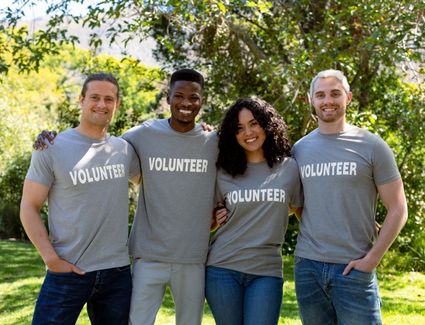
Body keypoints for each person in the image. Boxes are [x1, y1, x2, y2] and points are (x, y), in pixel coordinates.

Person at [20, 73, 140, 325]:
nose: (101, 104)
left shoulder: (123, 149)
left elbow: (155, 182)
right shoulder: (52, 147)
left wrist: (198, 132)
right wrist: (50, 259)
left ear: (116, 105)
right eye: (94, 97)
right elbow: (29, 207)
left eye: (109, 99)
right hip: (68, 270)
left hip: (116, 273)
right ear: (81, 100)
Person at [292, 69, 408, 324]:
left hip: (354, 268)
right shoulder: (299, 150)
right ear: (311, 100)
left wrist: (372, 259)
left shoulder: (372, 146)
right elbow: (299, 205)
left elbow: (398, 208)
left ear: (349, 98)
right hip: (308, 268)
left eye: (335, 94)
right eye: (320, 95)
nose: (327, 101)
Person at [123, 68, 218, 325]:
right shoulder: (142, 135)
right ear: (168, 97)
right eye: (179, 96)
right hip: (149, 254)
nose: (186, 103)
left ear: (202, 101)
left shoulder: (214, 142)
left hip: (193, 256)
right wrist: (54, 140)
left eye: (194, 97)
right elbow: (101, 145)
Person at [205, 98, 303, 325]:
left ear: (267, 124)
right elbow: (207, 223)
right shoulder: (222, 171)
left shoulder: (288, 168)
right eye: (239, 128)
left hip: (266, 271)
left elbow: (298, 212)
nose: (248, 132)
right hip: (222, 269)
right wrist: (215, 219)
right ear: (232, 134)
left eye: (254, 124)